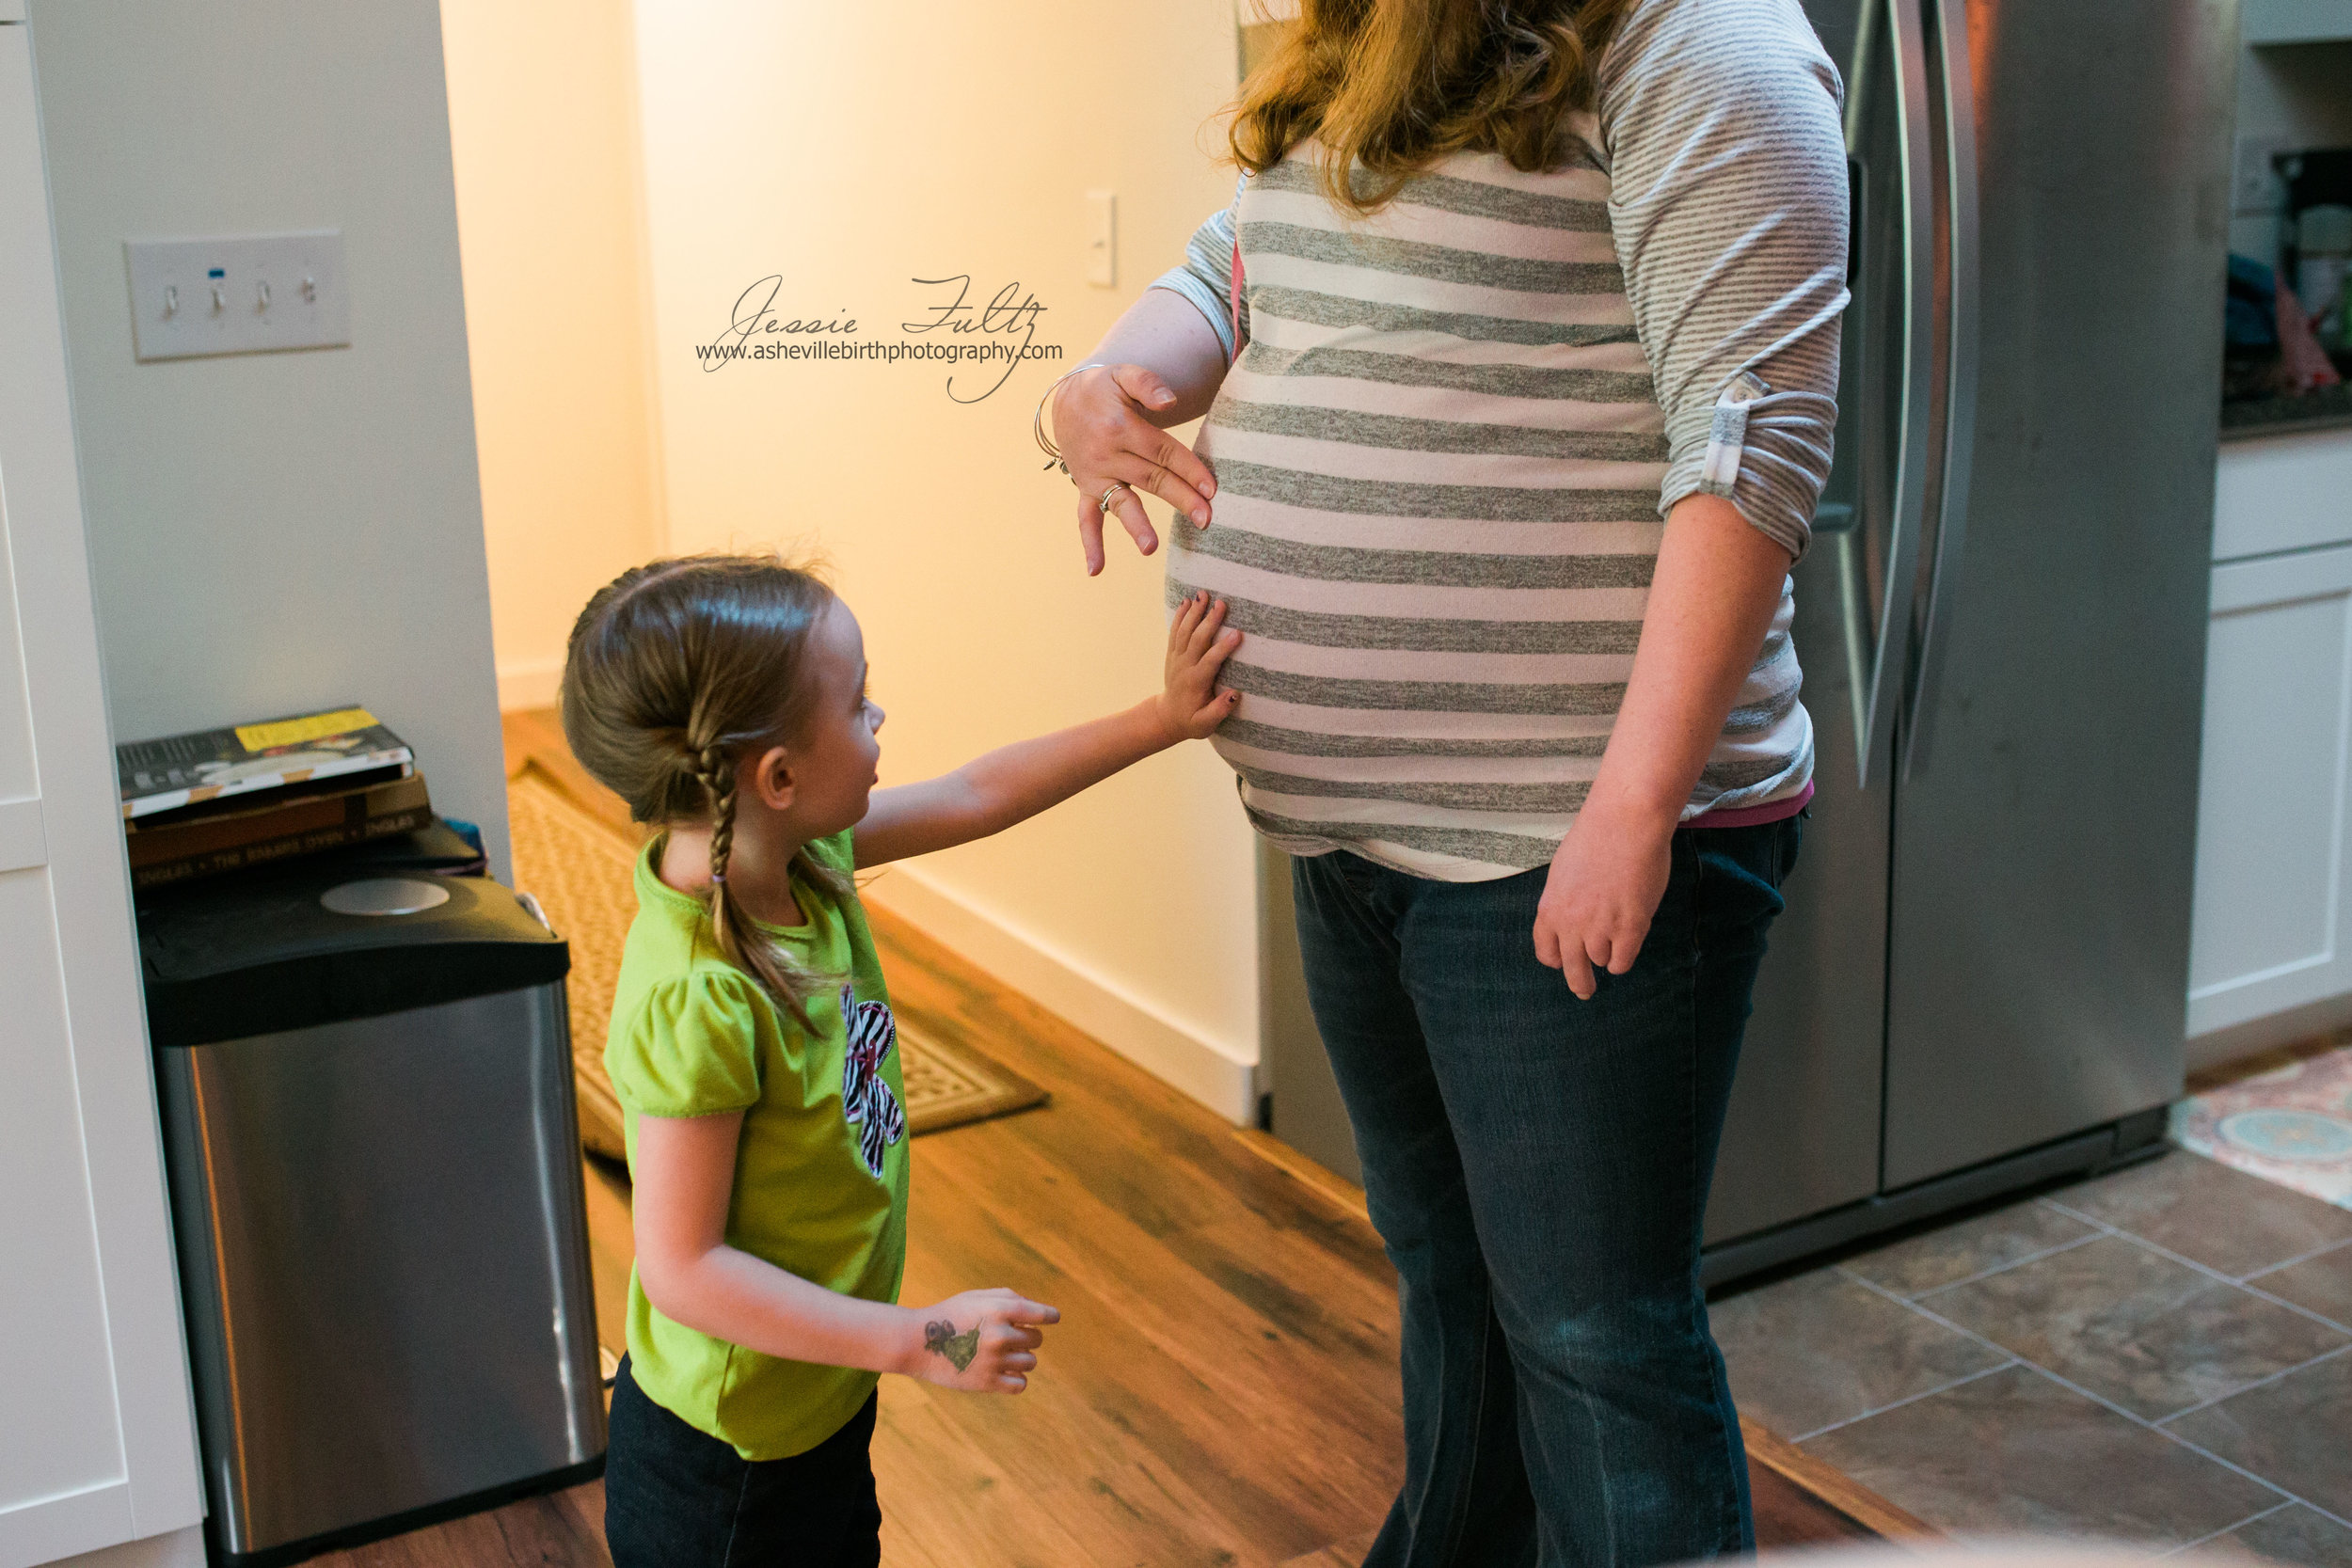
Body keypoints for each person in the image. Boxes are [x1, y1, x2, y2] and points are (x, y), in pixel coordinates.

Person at [1041, 0, 1849, 1560]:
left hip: (1570, 839)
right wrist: (1115, 375)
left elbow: (1749, 453)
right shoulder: (1369, 34)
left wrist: (1627, 811)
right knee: (1451, 1276)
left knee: (1597, 1339)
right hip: (1358, 841)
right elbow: (1248, 252)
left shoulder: (1702, 47)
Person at [559, 554, 1243, 1568]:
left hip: (818, 1395)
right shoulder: (698, 994)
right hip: (730, 1465)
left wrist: (1162, 717)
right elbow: (681, 1267)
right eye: (858, 701)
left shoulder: (793, 856)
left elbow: (977, 791)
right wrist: (921, 1338)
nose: (879, 717)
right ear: (778, 777)